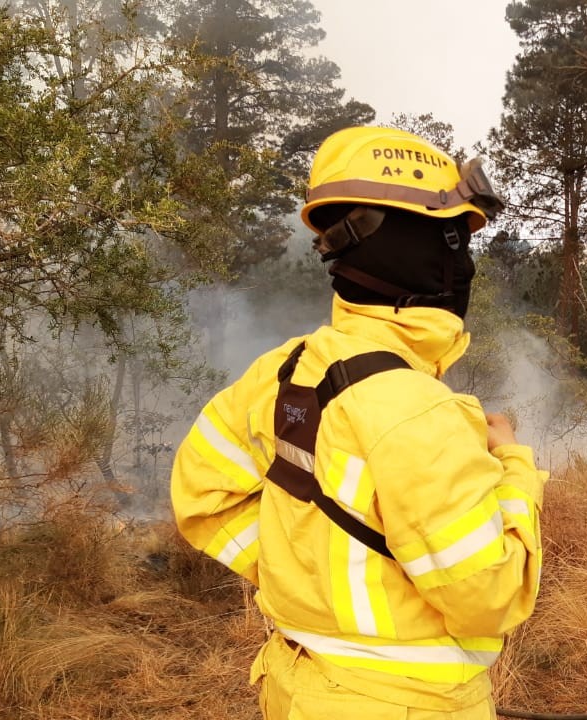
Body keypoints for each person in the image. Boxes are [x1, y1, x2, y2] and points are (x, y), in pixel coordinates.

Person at [170, 126, 546, 719]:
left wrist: (306, 582)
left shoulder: (282, 370)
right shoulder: (420, 410)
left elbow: (200, 496)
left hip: (295, 685)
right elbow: (491, 600)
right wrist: (515, 467)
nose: (466, 264)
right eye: (456, 242)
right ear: (427, 250)